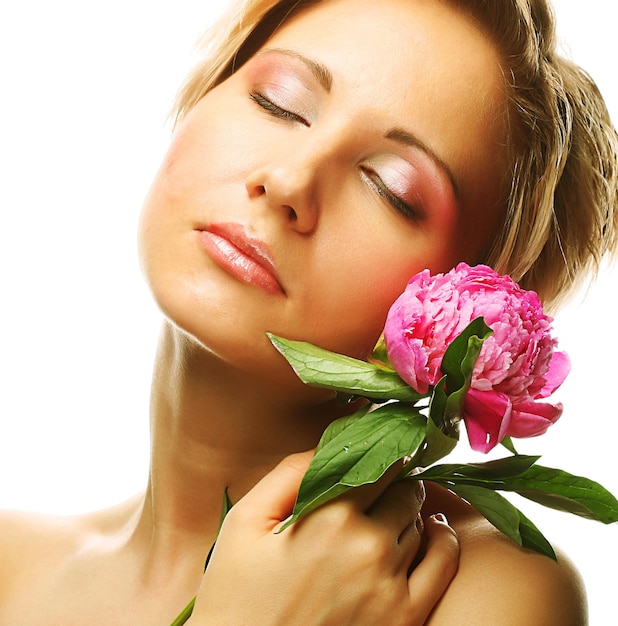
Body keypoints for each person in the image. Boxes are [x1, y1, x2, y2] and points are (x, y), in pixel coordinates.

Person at [0, 0, 616, 624]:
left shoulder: (481, 587)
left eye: (391, 188)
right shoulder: (10, 564)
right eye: (279, 101)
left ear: (471, 305)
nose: (290, 180)